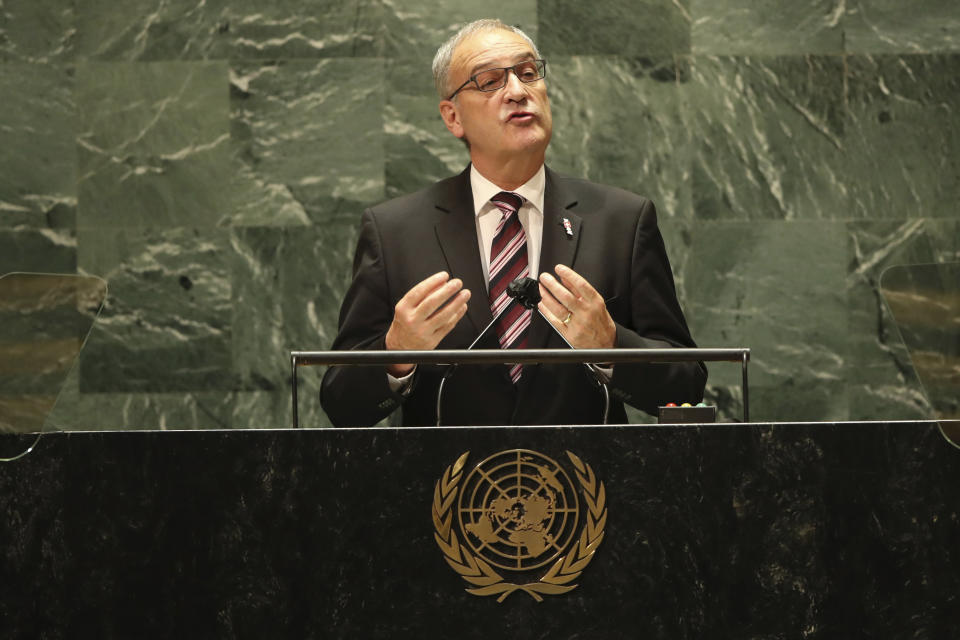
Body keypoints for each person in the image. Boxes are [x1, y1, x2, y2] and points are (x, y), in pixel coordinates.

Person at [320, 18, 706, 427]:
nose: (519, 92)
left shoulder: (620, 221)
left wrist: (610, 345)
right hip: (447, 485)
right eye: (490, 81)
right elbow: (341, 404)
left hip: (588, 484)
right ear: (453, 118)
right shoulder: (395, 231)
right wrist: (395, 354)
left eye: (527, 73)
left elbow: (687, 385)